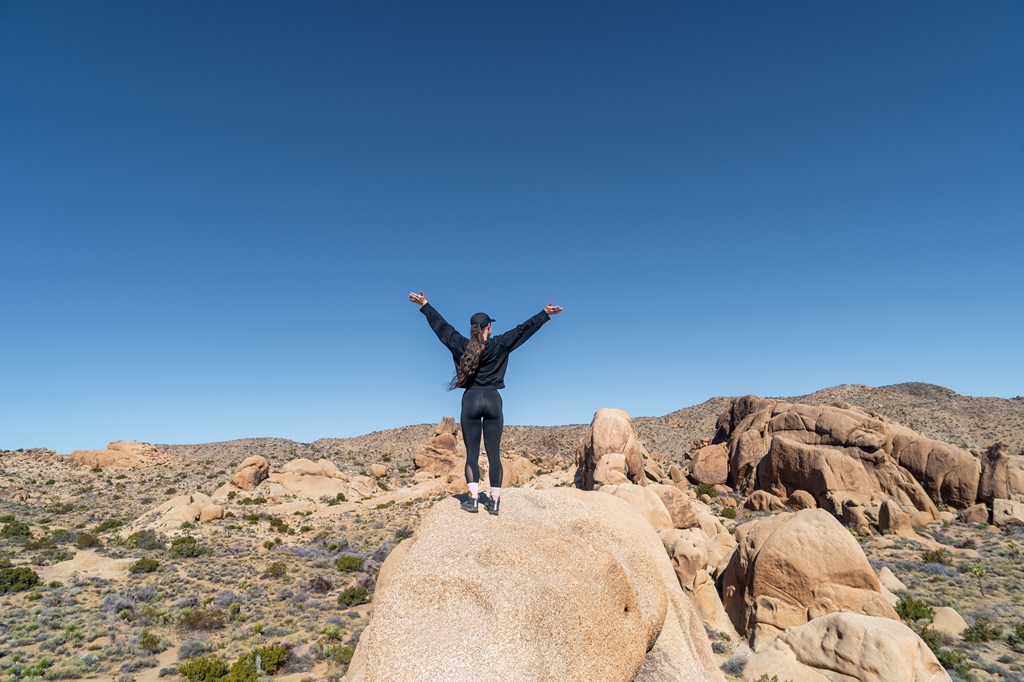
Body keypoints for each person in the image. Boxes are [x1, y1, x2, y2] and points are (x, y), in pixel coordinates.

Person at [408, 291, 562, 515]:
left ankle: (472, 500)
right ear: (488, 326)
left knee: (472, 453)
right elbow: (523, 330)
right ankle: (495, 501)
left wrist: (425, 305)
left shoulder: (461, 345)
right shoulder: (500, 344)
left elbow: (441, 327)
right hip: (493, 400)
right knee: (493, 454)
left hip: (470, 399)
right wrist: (544, 314)